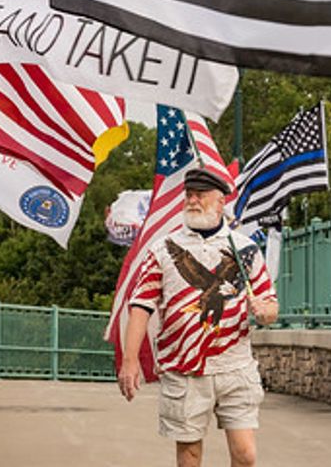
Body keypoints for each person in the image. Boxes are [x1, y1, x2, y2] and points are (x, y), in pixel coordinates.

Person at [117, 166, 280, 467]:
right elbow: (141, 305)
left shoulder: (245, 250)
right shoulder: (164, 249)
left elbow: (271, 305)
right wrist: (130, 361)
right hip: (185, 367)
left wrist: (264, 311)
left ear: (220, 202)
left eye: (201, 195)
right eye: (189, 195)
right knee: (190, 456)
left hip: (235, 365)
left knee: (246, 455)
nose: (193, 200)